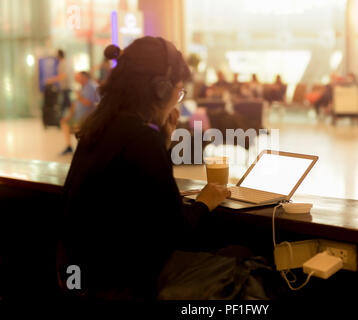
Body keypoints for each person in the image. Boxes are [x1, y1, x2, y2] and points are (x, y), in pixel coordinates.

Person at [59, 37, 230, 300]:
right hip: (119, 286)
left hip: (78, 279)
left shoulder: (99, 127)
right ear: (161, 89)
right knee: (238, 258)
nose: (177, 101)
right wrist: (205, 202)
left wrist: (161, 139)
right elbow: (176, 232)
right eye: (179, 92)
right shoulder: (141, 139)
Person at [60, 71, 100, 155]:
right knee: (65, 123)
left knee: (78, 127)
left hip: (87, 117)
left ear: (84, 77)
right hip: (78, 115)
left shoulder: (91, 86)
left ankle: (84, 148)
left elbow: (89, 103)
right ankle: (69, 146)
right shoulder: (82, 87)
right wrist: (69, 116)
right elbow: (75, 103)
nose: (76, 79)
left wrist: (79, 97)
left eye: (78, 77)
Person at [46, 49, 72, 114]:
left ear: (59, 55)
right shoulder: (61, 63)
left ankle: (63, 120)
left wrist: (52, 80)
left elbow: (64, 75)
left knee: (65, 105)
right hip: (64, 87)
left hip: (67, 87)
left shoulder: (64, 63)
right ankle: (64, 119)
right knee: (66, 104)